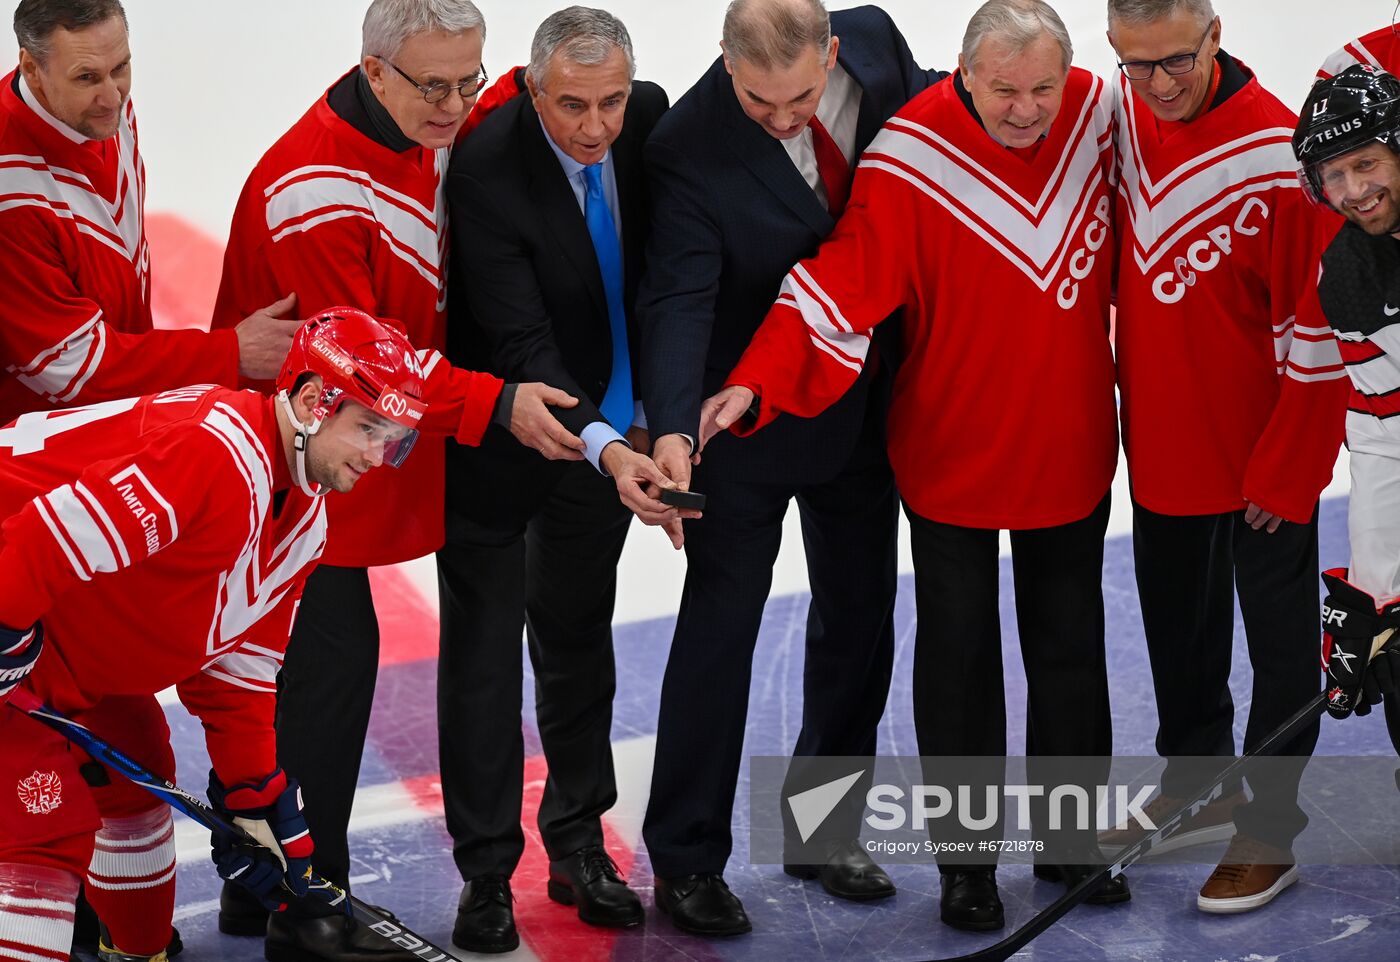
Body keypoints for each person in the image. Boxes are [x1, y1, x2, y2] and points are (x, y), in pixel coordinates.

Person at [703, 0, 1123, 932]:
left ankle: (1073, 842)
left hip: (1071, 442)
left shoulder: (1099, 115)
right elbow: (842, 278)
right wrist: (755, 379)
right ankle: (967, 865)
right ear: (962, 73)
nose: (1026, 109)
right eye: (1005, 89)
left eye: (1042, 87)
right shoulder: (908, 155)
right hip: (950, 450)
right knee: (960, 656)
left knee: (1068, 650)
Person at [209, 3, 587, 956]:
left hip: (358, 448)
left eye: (473, 79)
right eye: (436, 85)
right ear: (372, 73)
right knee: (326, 671)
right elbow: (364, 363)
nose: (460, 105)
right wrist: (497, 403)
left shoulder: (427, 114)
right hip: (303, 456)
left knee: (327, 668)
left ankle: (266, 887)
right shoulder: (315, 190)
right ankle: (307, 899)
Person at [637, 0, 943, 937]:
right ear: (726, 66)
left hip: (865, 407)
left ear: (835, 55)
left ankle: (826, 828)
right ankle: (687, 859)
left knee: (858, 615)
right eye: (760, 101)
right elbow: (679, 298)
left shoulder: (882, 48)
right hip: (744, 420)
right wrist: (677, 428)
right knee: (721, 636)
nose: (782, 118)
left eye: (801, 96)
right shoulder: (686, 144)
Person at [0, 309, 427, 962]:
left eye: (393, 439)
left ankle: (138, 955)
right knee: (38, 841)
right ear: (315, 400)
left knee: (138, 786)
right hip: (19, 619)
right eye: (368, 428)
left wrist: (256, 803)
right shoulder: (216, 453)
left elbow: (239, 679)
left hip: (71, 649)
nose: (377, 456)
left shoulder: (304, 522)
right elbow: (39, 540)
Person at [1102, 0, 1348, 914]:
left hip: (1262, 466)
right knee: (1179, 630)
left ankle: (1271, 829)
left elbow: (1321, 330)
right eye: (1137, 66)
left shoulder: (1284, 158)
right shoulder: (1123, 116)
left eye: (1176, 61)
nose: (1159, 86)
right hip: (1163, 447)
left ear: (1215, 34)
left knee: (1281, 647)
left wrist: (1291, 471)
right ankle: (1199, 781)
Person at [437, 6, 674, 953]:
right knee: (486, 663)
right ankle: (486, 876)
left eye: (610, 101)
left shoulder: (649, 121)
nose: (595, 126)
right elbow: (524, 341)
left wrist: (656, 418)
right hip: (509, 445)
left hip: (608, 439)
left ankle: (579, 846)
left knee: (578, 648)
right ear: (533, 88)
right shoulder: (489, 164)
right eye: (572, 104)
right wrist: (614, 447)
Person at [0, 0, 302, 429]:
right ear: (31, 69)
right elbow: (73, 369)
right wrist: (230, 353)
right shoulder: (11, 196)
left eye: (121, 67)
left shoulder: (96, 109)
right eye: (86, 77)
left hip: (122, 406)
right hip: (47, 446)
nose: (113, 96)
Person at [1292, 64, 1400, 745]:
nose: (1354, 191)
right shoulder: (1351, 276)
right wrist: (1370, 596)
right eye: (1335, 174)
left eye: (1367, 164)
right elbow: (1382, 431)